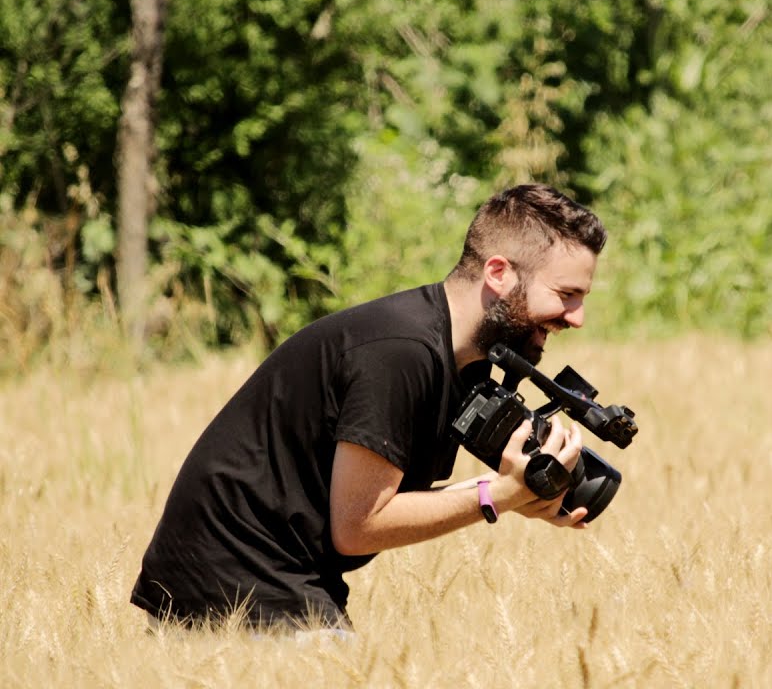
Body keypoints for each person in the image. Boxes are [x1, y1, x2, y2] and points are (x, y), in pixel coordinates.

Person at [131, 184, 607, 631]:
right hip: (230, 579)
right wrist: (495, 496)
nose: (577, 318)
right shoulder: (400, 351)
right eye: (566, 295)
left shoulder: (467, 360)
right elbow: (358, 528)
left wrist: (517, 492)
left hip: (286, 574)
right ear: (499, 274)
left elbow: (378, 506)